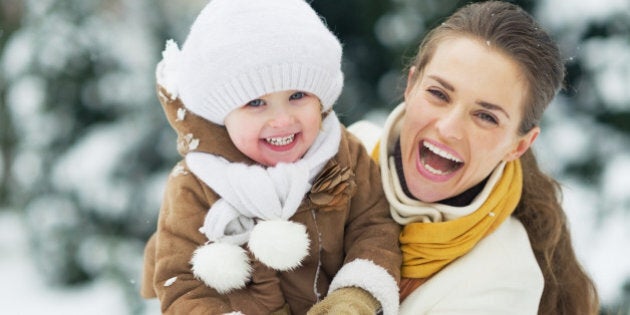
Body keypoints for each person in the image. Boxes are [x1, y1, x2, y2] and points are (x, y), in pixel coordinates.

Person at [140, 0, 402, 314]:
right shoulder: (196, 184)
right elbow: (181, 282)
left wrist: (356, 295)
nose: (281, 120)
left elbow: (373, 228)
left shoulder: (341, 152)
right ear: (222, 114)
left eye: (297, 96)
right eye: (255, 103)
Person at [349, 1, 599, 314]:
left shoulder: (502, 281)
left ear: (519, 145)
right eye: (439, 94)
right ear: (412, 86)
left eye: (485, 116)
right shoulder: (344, 154)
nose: (448, 128)